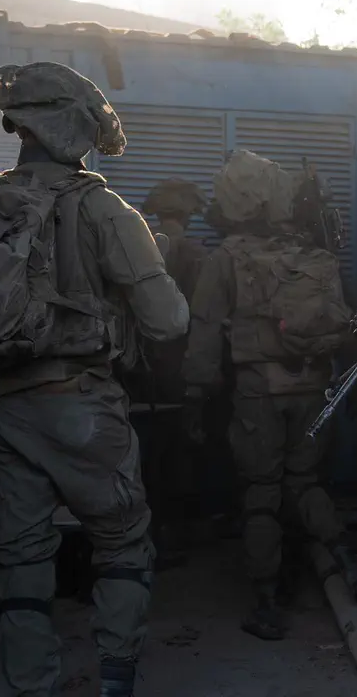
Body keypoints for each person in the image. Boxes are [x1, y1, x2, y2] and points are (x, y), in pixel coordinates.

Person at [0, 61, 189, 697]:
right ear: (79, 127)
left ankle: (32, 685)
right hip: (84, 407)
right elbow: (169, 320)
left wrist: (3, 364)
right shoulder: (104, 208)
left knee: (19, 557)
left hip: (2, 410)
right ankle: (114, 679)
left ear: (21, 128)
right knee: (121, 541)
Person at [181, 150, 357, 640]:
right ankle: (349, 562)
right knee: (305, 482)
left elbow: (204, 333)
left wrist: (196, 396)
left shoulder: (226, 259)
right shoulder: (313, 257)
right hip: (314, 388)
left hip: (260, 393)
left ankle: (266, 603)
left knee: (262, 493)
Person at [129, 178, 210, 567]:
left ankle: (142, 534)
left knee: (142, 453)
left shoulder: (136, 248)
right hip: (182, 369)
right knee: (182, 452)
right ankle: (174, 535)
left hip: (137, 369)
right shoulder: (197, 255)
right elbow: (206, 317)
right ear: (190, 214)